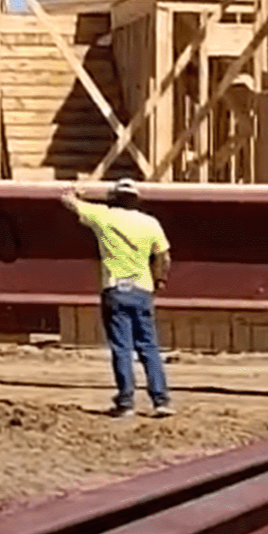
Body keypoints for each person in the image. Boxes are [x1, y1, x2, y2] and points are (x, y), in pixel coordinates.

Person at [61, 169, 172, 418]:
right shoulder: (150, 223)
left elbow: (67, 200)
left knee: (122, 347)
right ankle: (160, 399)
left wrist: (81, 191)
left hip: (114, 290)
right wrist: (159, 280)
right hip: (142, 289)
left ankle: (126, 401)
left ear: (114, 199)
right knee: (149, 347)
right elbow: (164, 257)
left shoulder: (104, 216)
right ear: (137, 200)